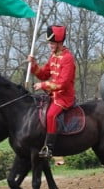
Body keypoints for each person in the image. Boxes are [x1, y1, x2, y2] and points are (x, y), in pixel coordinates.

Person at [27, 25, 76, 159]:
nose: (50, 45)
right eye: (49, 43)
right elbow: (43, 74)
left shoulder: (67, 58)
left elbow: (63, 83)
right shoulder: (53, 56)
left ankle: (49, 147)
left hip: (64, 97)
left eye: (52, 43)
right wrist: (34, 65)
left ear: (60, 43)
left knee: (50, 115)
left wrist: (43, 85)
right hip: (53, 95)